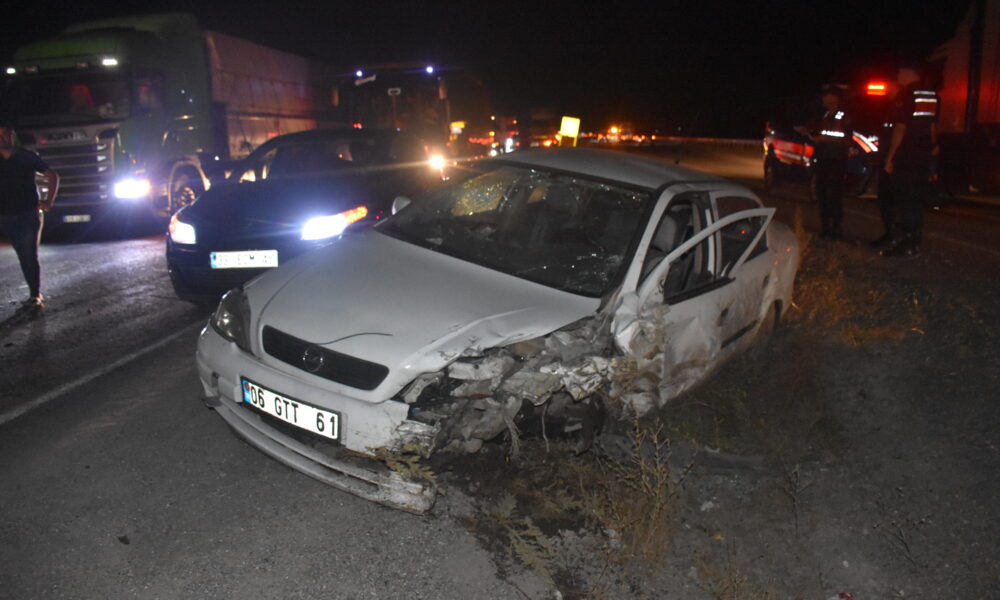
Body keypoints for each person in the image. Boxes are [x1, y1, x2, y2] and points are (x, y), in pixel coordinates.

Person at [881, 62, 940, 257]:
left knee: (904, 198)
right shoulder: (931, 95)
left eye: (900, 71)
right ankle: (914, 242)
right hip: (922, 153)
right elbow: (932, 125)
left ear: (909, 72)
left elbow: (901, 128)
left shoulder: (907, 94)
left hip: (907, 153)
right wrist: (933, 144)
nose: (898, 75)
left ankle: (904, 243)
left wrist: (890, 157)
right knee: (915, 199)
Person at [0, 123, 59, 308]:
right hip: (3, 215)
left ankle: (35, 294)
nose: (2, 138)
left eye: (5, 134)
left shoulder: (26, 157)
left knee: (28, 255)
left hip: (27, 214)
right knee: (23, 253)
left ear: (12, 136)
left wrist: (48, 201)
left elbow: (52, 175)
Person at [800, 87, 852, 240]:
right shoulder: (825, 115)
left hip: (836, 160)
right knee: (821, 193)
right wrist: (811, 133)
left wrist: (825, 139)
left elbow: (847, 139)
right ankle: (825, 228)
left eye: (827, 96)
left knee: (833, 194)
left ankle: (836, 229)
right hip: (823, 158)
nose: (823, 99)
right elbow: (820, 131)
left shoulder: (844, 116)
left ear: (835, 98)